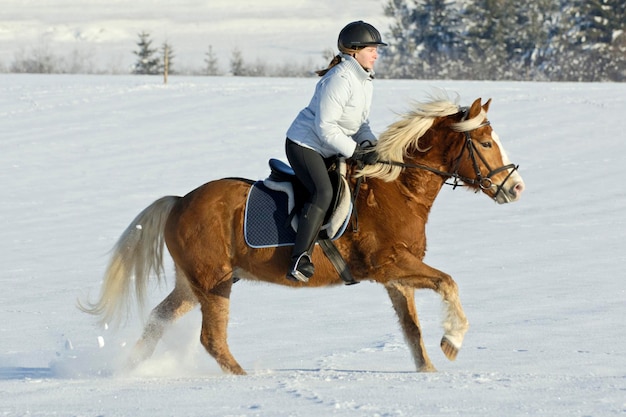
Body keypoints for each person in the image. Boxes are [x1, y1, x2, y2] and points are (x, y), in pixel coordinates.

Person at [284, 20, 386, 282]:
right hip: (305, 144)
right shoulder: (340, 78)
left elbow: (360, 123)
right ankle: (300, 258)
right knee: (324, 191)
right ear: (353, 51)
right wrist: (354, 151)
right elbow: (325, 127)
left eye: (377, 49)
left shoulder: (365, 81)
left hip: (330, 147)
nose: (376, 53)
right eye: (371, 48)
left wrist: (369, 144)